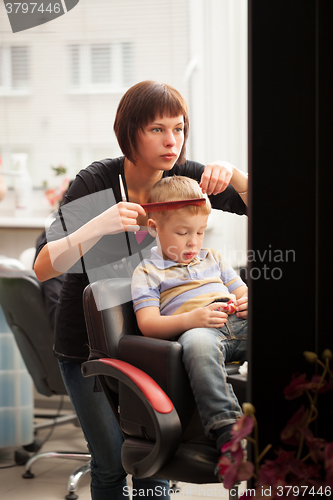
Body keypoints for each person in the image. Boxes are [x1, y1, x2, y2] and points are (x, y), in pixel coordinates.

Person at [34, 80, 248, 499]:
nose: (172, 141)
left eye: (180, 128)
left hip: (156, 343)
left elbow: (281, 205)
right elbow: (44, 266)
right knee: (112, 464)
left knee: (154, 461)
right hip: (89, 348)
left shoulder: (182, 177)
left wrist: (237, 175)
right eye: (157, 129)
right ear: (130, 131)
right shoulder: (95, 182)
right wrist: (99, 223)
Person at [131, 176, 248, 453]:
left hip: (237, 321)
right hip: (200, 331)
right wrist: (191, 319)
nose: (193, 242)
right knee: (196, 346)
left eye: (200, 232)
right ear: (154, 228)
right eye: (183, 233)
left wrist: (246, 302)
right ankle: (226, 431)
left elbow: (242, 292)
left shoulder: (213, 258)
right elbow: (148, 324)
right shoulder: (147, 273)